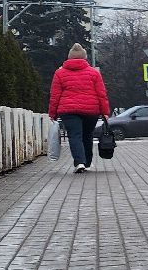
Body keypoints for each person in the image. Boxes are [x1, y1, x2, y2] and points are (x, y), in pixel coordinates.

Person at [47, 44, 110, 173]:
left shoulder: (59, 73)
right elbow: (101, 94)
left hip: (68, 111)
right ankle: (87, 162)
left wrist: (52, 113)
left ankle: (79, 162)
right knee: (87, 136)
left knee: (75, 136)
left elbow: (55, 95)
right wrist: (105, 112)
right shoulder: (93, 73)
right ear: (84, 58)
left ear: (69, 57)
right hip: (91, 110)